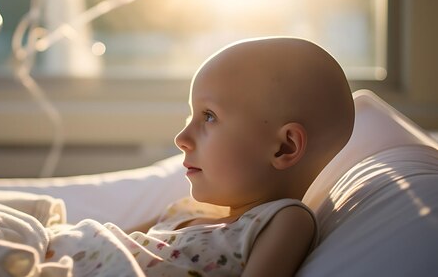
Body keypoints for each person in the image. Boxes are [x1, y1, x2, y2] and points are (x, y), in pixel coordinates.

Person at [115, 36, 355, 276]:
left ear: (284, 147)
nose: (181, 138)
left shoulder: (284, 221)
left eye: (209, 116)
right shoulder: (187, 209)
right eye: (191, 118)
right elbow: (114, 240)